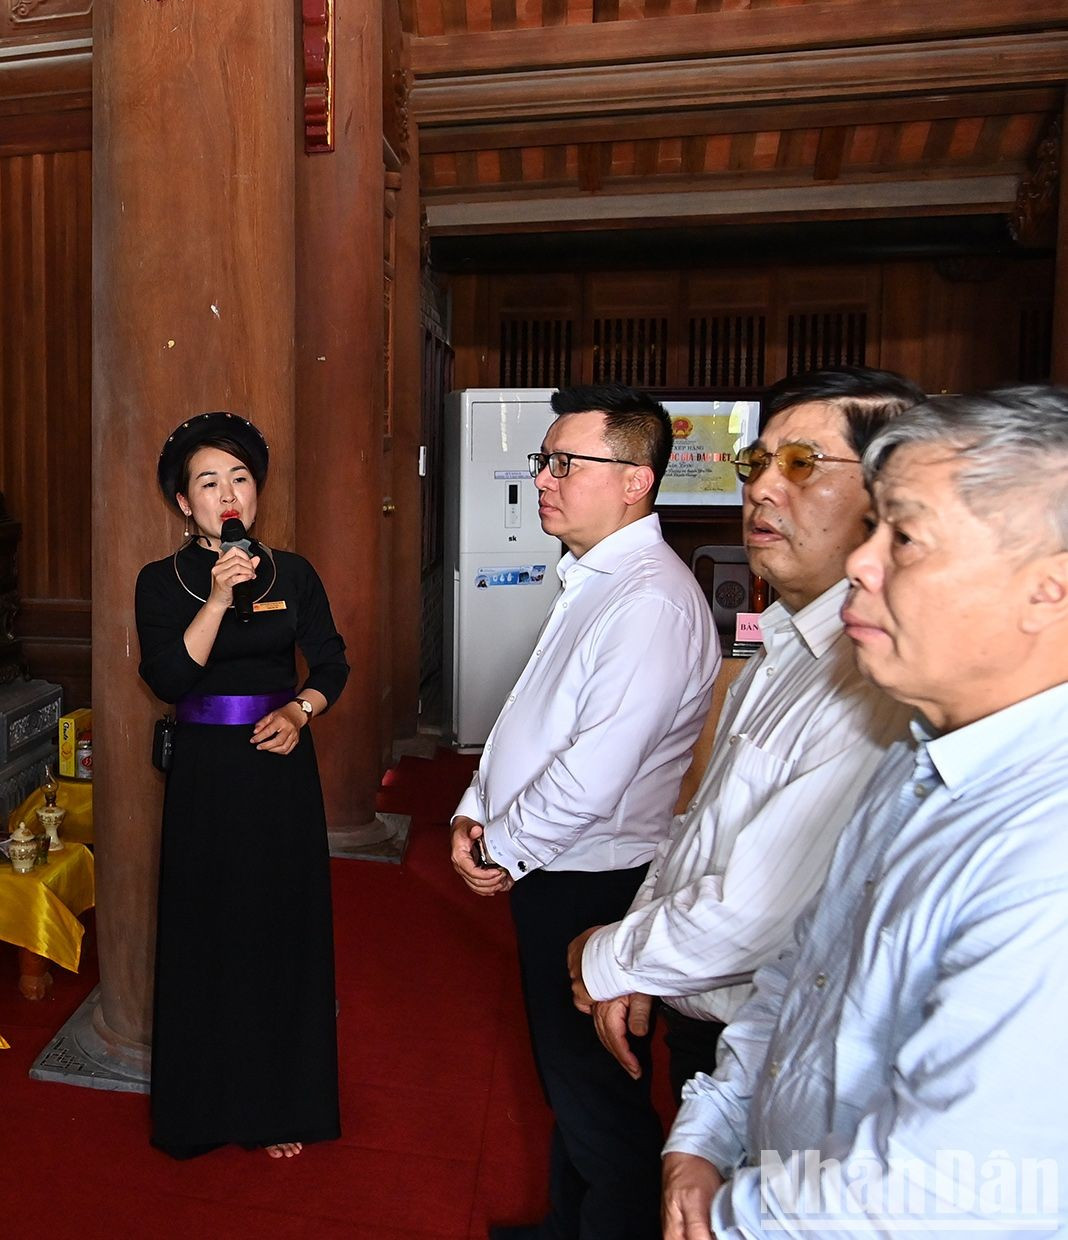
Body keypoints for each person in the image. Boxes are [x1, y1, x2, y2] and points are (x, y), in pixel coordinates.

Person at [663, 386, 1068, 1238]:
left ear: (1048, 589)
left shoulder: (1046, 854)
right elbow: (800, 972)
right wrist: (710, 1132)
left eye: (906, 538)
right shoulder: (917, 753)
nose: (862, 561)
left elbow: (933, 1197)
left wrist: (728, 1218)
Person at [569, 369, 922, 1104]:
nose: (762, 488)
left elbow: (762, 911)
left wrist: (608, 956)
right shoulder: (782, 642)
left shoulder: (880, 679)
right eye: (756, 463)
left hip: (779, 1041)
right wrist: (638, 948)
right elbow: (699, 824)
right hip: (703, 1010)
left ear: (896, 496)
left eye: (802, 464)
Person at [449, 383, 719, 1240]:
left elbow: (593, 772)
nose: (544, 479)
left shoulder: (648, 599)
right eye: (545, 461)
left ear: (636, 479)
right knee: (570, 1080)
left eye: (567, 462)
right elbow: (533, 720)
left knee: (598, 1092)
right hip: (558, 863)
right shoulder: (600, 576)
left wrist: (502, 847)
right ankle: (570, 1221)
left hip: (594, 877)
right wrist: (472, 810)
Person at [135, 411, 347, 1161]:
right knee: (206, 929)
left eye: (240, 479)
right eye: (209, 482)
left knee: (278, 930)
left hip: (280, 772)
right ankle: (202, 1108)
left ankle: (278, 1103)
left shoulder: (294, 572)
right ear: (183, 503)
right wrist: (220, 598)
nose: (228, 493)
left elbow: (330, 666)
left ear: (256, 493)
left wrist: (301, 709)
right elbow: (167, 678)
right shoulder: (162, 583)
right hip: (203, 775)